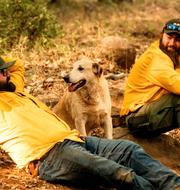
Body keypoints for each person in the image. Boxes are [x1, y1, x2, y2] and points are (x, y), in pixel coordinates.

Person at [0, 56, 179, 190]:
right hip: (47, 155)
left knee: (130, 150)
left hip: (75, 139)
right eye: (1, 71)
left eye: (4, 69)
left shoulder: (14, 88)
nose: (7, 72)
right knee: (120, 173)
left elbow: (17, 65)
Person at [120, 18, 180, 137]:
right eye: (169, 37)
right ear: (161, 35)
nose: (172, 43)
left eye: (178, 40)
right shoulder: (155, 57)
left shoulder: (172, 54)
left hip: (152, 110)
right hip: (136, 117)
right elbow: (177, 84)